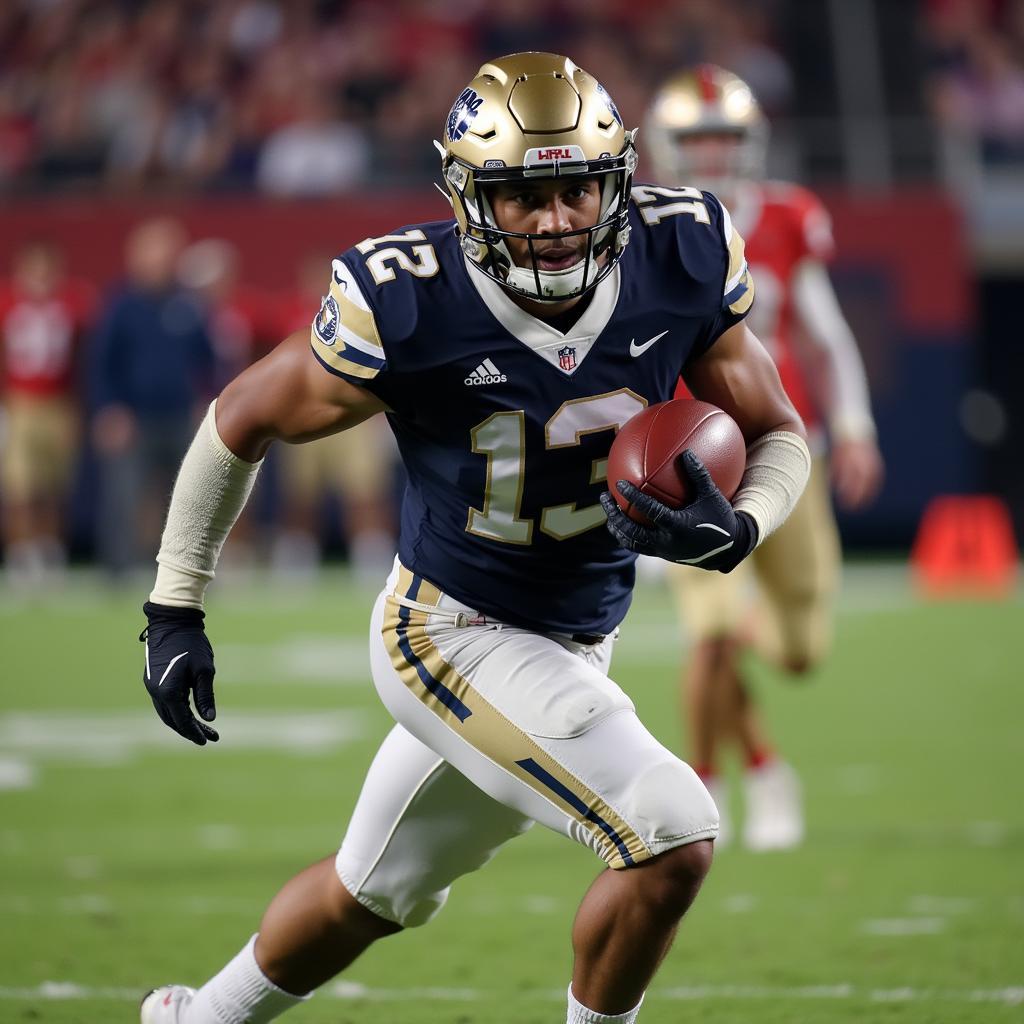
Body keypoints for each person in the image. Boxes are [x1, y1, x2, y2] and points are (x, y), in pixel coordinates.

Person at [138, 52, 811, 1024]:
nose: (553, 221)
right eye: (520, 196)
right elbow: (240, 416)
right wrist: (173, 605)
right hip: (449, 631)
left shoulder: (683, 249)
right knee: (671, 835)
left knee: (367, 893)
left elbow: (776, 431)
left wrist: (743, 521)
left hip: (575, 633)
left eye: (575, 187)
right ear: (465, 197)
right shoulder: (411, 299)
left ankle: (198, 1018)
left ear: (616, 178)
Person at [644, 65, 884, 850]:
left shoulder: (784, 215)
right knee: (707, 636)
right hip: (693, 458)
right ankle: (726, 782)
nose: (714, 154)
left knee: (799, 650)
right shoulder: (641, 225)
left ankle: (745, 643)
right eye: (698, 139)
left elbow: (823, 330)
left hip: (784, 451)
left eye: (726, 138)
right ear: (667, 148)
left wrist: (853, 426)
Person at [90, 217, 216, 577]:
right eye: (155, 248)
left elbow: (206, 358)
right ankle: (121, 568)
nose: (162, 257)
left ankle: (186, 566)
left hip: (179, 414)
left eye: (168, 249)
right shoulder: (121, 304)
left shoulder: (188, 303)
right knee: (126, 494)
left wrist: (204, 401)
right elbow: (102, 363)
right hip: (134, 415)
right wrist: (109, 409)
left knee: (187, 496)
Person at [0, 240, 94, 586]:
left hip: (58, 404)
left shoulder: (70, 304)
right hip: (19, 402)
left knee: (55, 485)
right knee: (21, 486)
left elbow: (80, 360)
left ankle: (50, 553)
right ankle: (22, 556)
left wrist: (75, 406)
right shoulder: (7, 302)